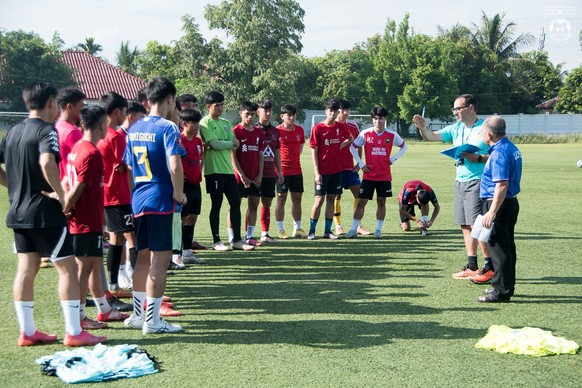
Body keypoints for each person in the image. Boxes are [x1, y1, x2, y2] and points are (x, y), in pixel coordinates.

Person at [0, 82, 104, 346]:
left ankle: (27, 331)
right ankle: (74, 331)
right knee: (68, 268)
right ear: (50, 103)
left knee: (26, 268)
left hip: (17, 211)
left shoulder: (12, 132)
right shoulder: (47, 130)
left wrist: (14, 186)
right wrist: (59, 193)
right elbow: (47, 162)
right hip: (44, 212)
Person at [123, 76, 185, 334]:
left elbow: (128, 168)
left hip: (139, 199)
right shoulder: (169, 128)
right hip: (161, 200)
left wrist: (134, 195)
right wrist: (179, 194)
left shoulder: (134, 128)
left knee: (142, 258)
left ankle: (138, 315)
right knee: (160, 261)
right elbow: (174, 165)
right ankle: (153, 321)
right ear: (170, 99)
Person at [413, 94, 493, 283]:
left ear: (471, 108)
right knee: (465, 224)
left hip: (478, 181)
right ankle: (472, 265)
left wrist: (479, 158)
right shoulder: (456, 128)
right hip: (460, 181)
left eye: (458, 108)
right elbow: (431, 137)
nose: (455, 112)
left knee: (476, 225)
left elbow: (499, 154)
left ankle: (489, 266)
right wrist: (422, 128)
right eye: (454, 109)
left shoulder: (485, 128)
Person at [63, 105, 129, 330]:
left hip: (87, 218)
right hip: (85, 219)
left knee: (91, 266)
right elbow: (79, 187)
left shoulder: (78, 148)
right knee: (84, 270)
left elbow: (67, 182)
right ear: (102, 125)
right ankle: (80, 317)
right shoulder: (92, 153)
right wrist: (67, 207)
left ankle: (102, 310)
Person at [199, 91, 254, 252]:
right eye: (217, 105)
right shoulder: (205, 123)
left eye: (222, 105)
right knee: (216, 205)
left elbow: (235, 143)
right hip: (213, 171)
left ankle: (237, 240)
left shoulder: (225, 122)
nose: (221, 108)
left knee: (235, 203)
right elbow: (215, 144)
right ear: (208, 106)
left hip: (228, 171)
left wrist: (224, 143)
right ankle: (216, 241)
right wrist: (227, 143)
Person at [344, 106, 408, 239]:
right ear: (373, 119)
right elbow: (353, 147)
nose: (378, 121)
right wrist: (361, 164)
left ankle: (378, 230)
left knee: (381, 202)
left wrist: (393, 158)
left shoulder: (391, 135)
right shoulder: (366, 133)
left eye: (381, 118)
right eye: (375, 118)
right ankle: (353, 229)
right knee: (361, 202)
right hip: (369, 176)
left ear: (385, 119)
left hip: (384, 176)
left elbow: (404, 146)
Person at [477, 116, 522, 303]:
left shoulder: (499, 153)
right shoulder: (510, 147)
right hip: (510, 202)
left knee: (499, 248)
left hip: (499, 204)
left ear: (488, 134)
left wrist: (492, 211)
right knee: (507, 247)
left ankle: (502, 291)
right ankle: (503, 286)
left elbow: (501, 185)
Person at [98, 92, 136, 297]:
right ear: (117, 112)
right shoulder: (115, 137)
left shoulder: (100, 134)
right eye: (124, 111)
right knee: (132, 239)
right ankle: (139, 287)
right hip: (119, 195)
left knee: (116, 239)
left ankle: (114, 284)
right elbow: (129, 165)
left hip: (108, 194)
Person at [307, 99, 352, 240]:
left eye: (335, 111)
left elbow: (350, 139)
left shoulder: (341, 127)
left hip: (336, 170)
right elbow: (313, 151)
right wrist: (316, 173)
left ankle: (327, 231)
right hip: (322, 171)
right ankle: (311, 231)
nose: (333, 114)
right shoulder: (318, 129)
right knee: (319, 200)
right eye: (330, 111)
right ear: (326, 112)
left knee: (331, 200)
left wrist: (339, 146)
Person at [116, 101, 148, 287]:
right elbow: (124, 168)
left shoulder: (132, 136)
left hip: (134, 193)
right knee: (125, 235)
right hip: (123, 195)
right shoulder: (121, 137)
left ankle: (128, 270)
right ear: (130, 116)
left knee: (131, 235)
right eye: (141, 118)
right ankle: (123, 273)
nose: (143, 122)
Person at [333, 99, 370, 236]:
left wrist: (358, 163)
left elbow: (358, 145)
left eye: (348, 110)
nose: (346, 112)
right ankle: (338, 225)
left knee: (359, 195)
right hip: (335, 168)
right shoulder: (332, 125)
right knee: (337, 196)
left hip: (350, 168)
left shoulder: (353, 126)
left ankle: (358, 225)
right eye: (343, 110)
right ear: (337, 111)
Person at [231, 101, 264, 246]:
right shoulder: (235, 131)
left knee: (253, 206)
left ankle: (249, 236)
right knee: (235, 206)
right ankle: (233, 237)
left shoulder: (258, 132)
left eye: (252, 114)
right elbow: (232, 156)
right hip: (239, 178)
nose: (250, 117)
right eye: (247, 114)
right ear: (241, 114)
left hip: (255, 176)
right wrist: (241, 175)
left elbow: (260, 155)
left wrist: (260, 174)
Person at [178, 108, 207, 264]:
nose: (197, 126)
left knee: (193, 218)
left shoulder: (197, 141)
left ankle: (187, 254)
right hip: (184, 185)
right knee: (181, 220)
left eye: (197, 122)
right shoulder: (179, 140)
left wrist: (199, 172)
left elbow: (200, 159)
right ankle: (177, 255)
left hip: (196, 185)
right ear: (184, 124)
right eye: (193, 123)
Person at [275, 104, 307, 238]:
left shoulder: (299, 130)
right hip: (281, 171)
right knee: (281, 199)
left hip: (296, 170)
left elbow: (300, 149)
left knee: (297, 199)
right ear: (282, 116)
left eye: (293, 114)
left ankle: (297, 228)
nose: (292, 117)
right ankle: (281, 229)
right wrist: (279, 170)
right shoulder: (277, 131)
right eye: (289, 114)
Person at [256, 100, 283, 243]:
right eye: (264, 110)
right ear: (258, 112)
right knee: (252, 204)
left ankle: (265, 233)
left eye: (269, 110)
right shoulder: (254, 130)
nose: (267, 113)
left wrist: (280, 171)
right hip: (255, 173)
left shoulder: (275, 131)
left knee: (267, 202)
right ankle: (249, 235)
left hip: (270, 173)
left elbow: (277, 153)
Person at [55, 87, 86, 178]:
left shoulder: (56, 127)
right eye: (81, 106)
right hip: (71, 185)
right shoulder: (72, 132)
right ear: (70, 107)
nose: (84, 111)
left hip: (60, 184)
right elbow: (86, 161)